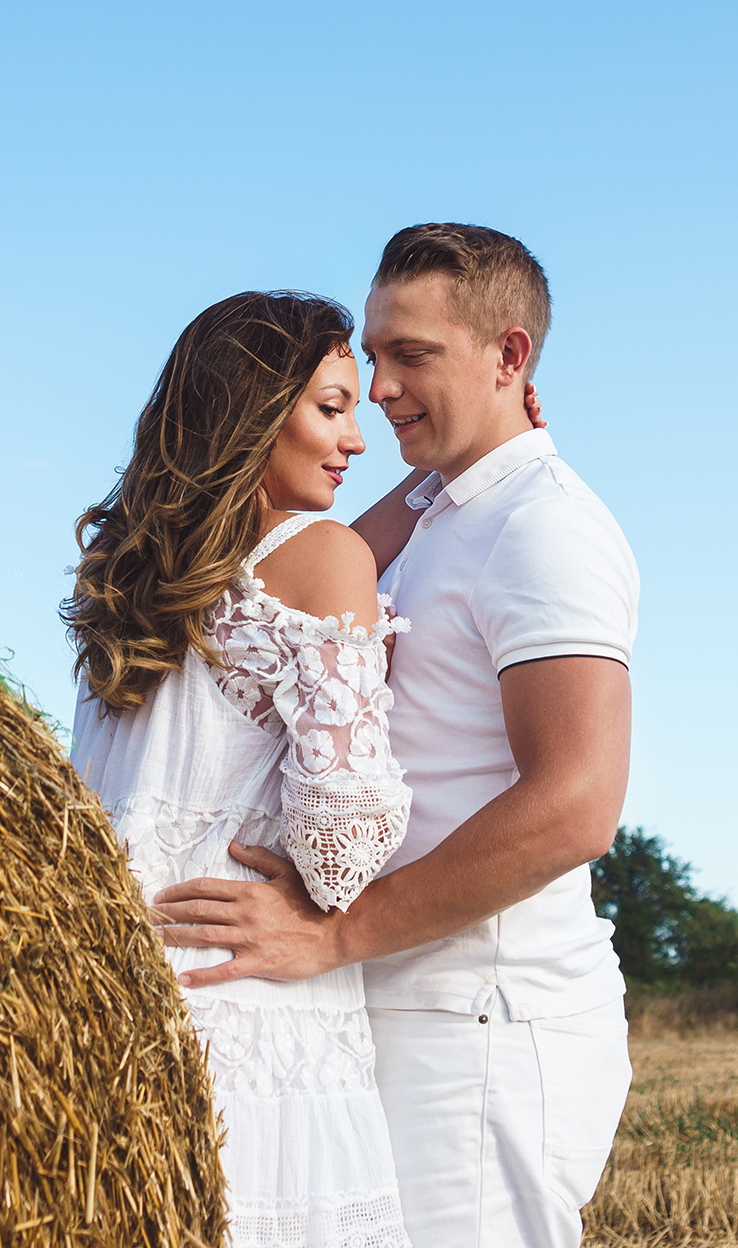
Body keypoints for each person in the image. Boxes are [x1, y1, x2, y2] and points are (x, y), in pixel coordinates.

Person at [156, 225, 638, 1248]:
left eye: (411, 355)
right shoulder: (442, 512)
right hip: (398, 999)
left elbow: (577, 803)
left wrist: (334, 933)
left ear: (508, 356)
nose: (377, 387)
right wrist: (458, 456)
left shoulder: (544, 527)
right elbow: (278, 560)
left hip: (484, 1023)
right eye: (370, 356)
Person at [65, 290, 415, 1248]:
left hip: (110, 986)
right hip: (243, 990)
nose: (356, 438)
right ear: (256, 413)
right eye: (332, 407)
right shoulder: (326, 556)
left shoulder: (132, 577)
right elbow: (340, 851)